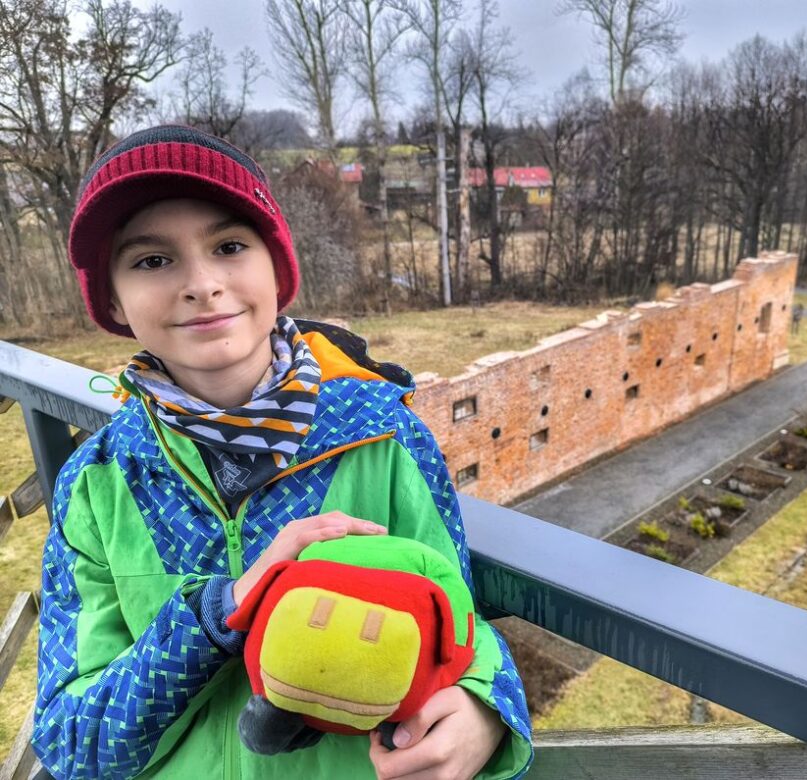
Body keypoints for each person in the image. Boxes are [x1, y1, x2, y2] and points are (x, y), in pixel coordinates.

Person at [31, 125, 533, 780]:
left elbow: (456, 624)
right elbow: (71, 745)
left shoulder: (383, 436)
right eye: (152, 260)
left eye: (230, 245)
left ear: (277, 268)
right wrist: (219, 613)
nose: (203, 283)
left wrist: (486, 710)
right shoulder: (98, 483)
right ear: (115, 303)